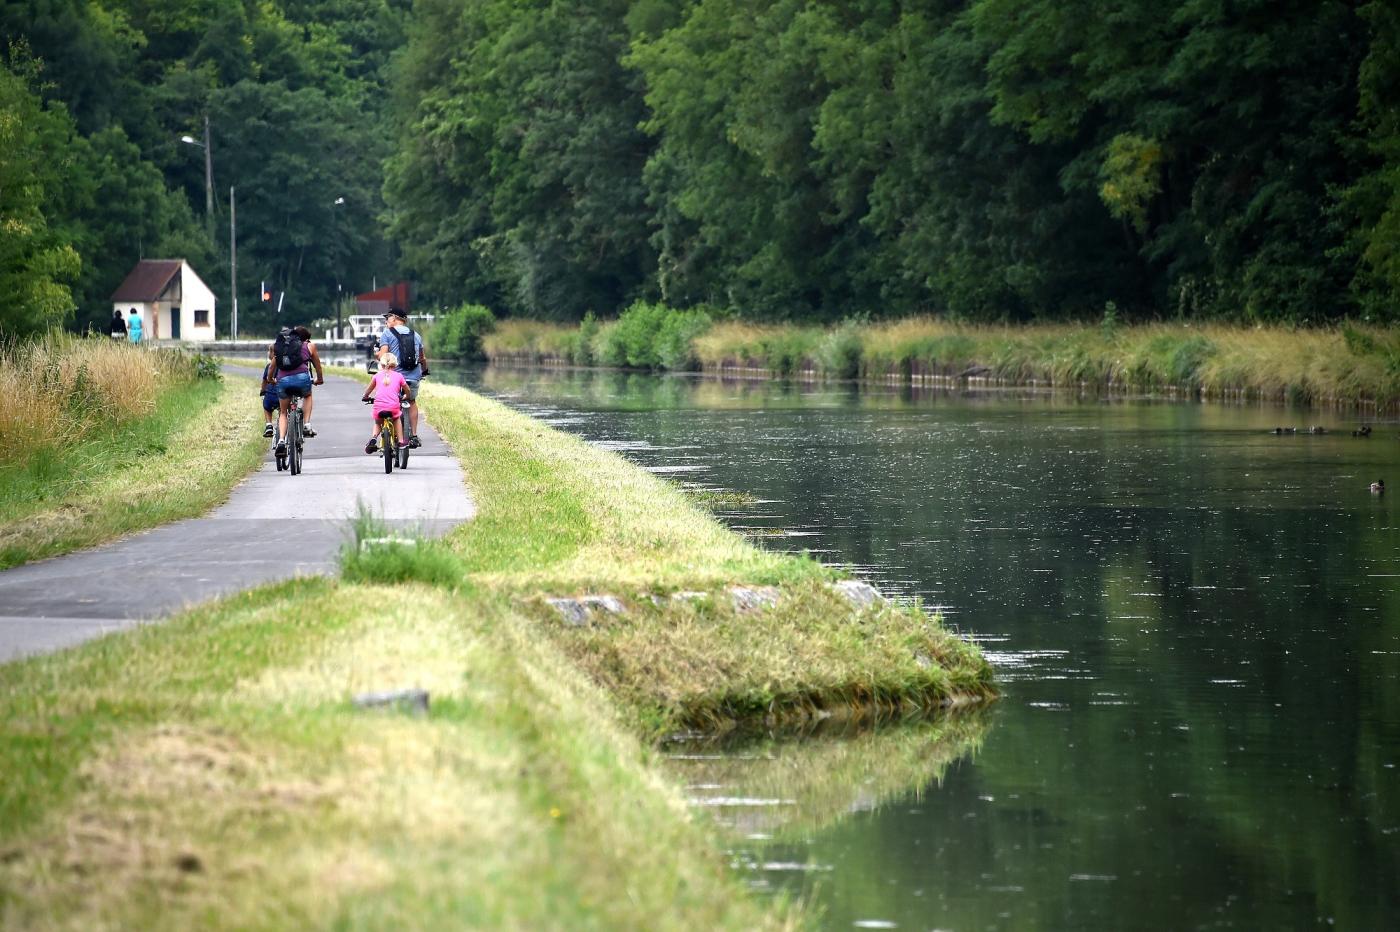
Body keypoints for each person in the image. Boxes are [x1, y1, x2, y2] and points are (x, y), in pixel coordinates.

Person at [374, 306, 429, 449]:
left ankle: (388, 433)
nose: (386, 321)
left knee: (390, 402)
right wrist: (424, 371)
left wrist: (377, 354)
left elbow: (384, 355)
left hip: (395, 376)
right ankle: (414, 436)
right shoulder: (416, 335)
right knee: (412, 401)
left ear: (394, 318)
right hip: (413, 376)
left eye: (388, 318)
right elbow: (422, 358)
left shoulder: (387, 333)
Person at [267, 324, 325, 454]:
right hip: (302, 379)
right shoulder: (309, 346)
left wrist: (271, 380)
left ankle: (281, 440)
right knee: (308, 395)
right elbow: (318, 366)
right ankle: (307, 424)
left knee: (283, 412)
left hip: (283, 381)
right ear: (306, 338)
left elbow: (271, 367)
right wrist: (319, 379)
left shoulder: (283, 348)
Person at [362, 352, 410, 453]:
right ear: (395, 365)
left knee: (378, 422)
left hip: (378, 407)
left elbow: (368, 390)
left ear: (381, 364)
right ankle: (401, 441)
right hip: (393, 407)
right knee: (396, 418)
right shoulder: (399, 376)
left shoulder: (376, 376)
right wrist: (407, 396)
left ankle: (374, 438)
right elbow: (407, 390)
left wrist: (365, 396)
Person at [258, 361, 280, 437]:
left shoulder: (269, 366)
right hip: (283, 395)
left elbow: (264, 381)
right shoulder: (286, 365)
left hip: (271, 396)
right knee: (284, 411)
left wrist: (262, 392)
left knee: (266, 407)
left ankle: (269, 425)